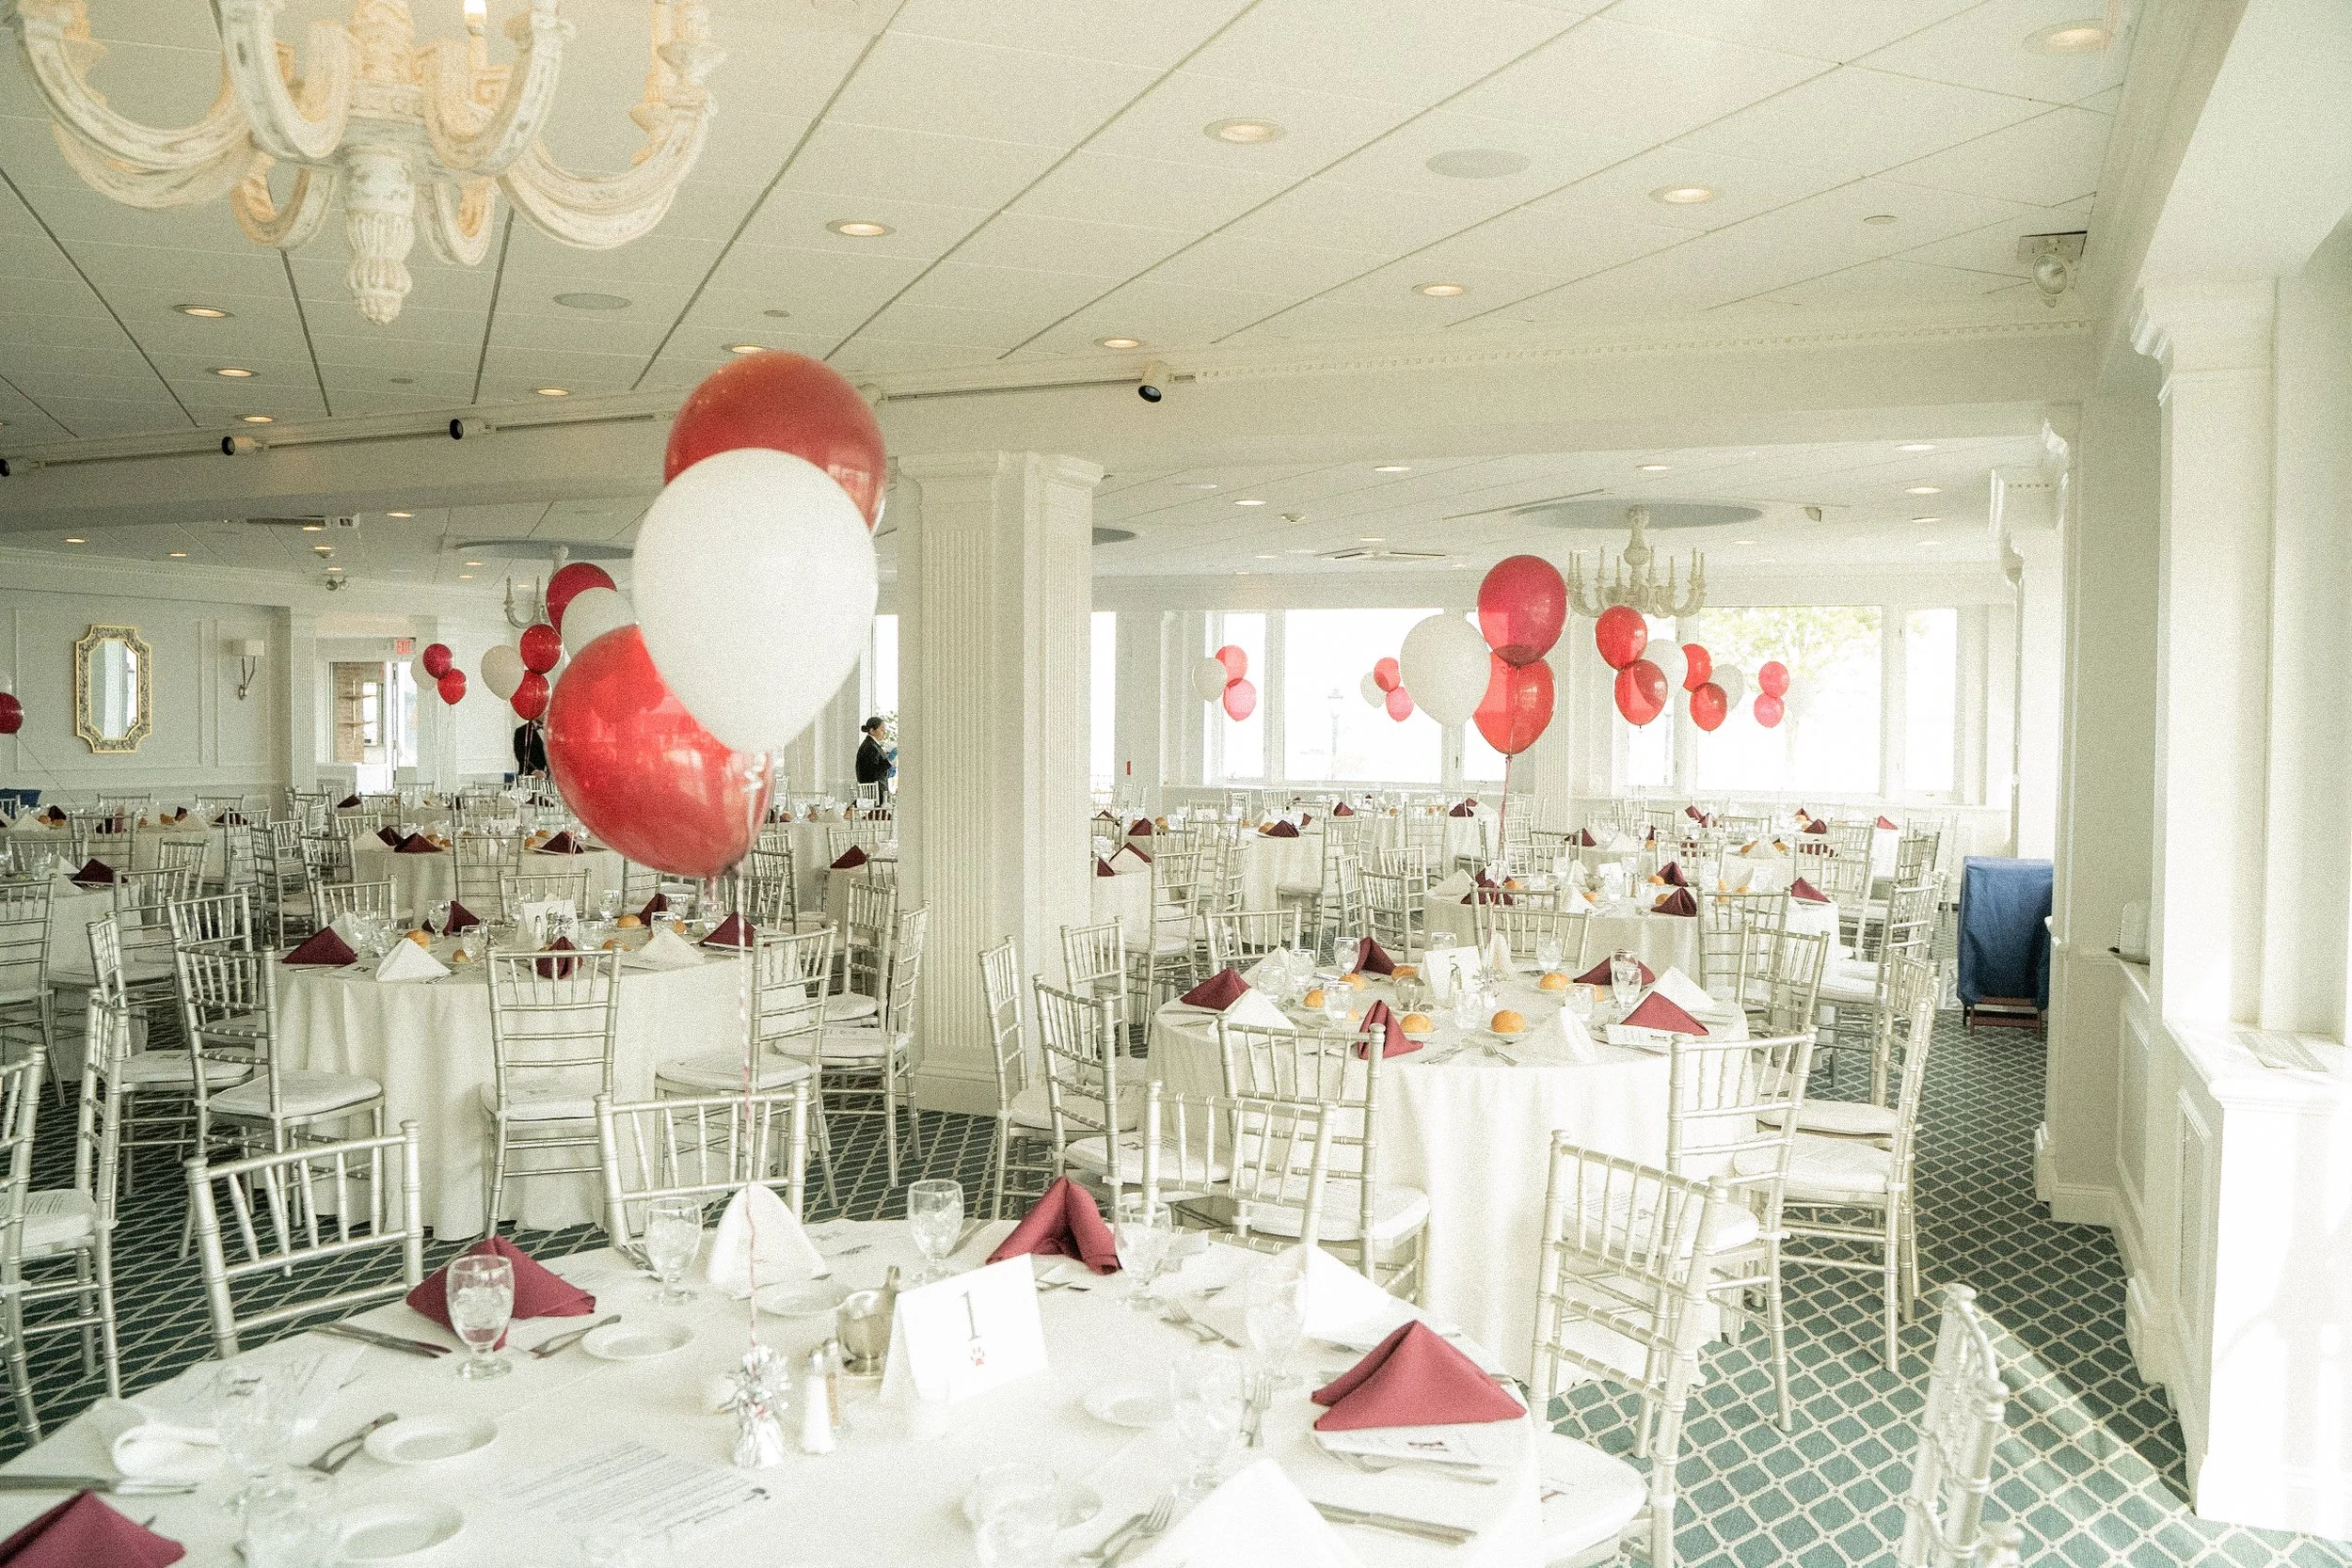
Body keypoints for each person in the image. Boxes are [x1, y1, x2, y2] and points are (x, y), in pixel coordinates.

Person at [855, 716, 891, 805]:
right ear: (872, 731)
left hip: (877, 791)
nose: (884, 732)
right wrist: (889, 761)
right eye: (882, 730)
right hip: (874, 794)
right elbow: (872, 771)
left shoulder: (873, 745)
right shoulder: (870, 747)